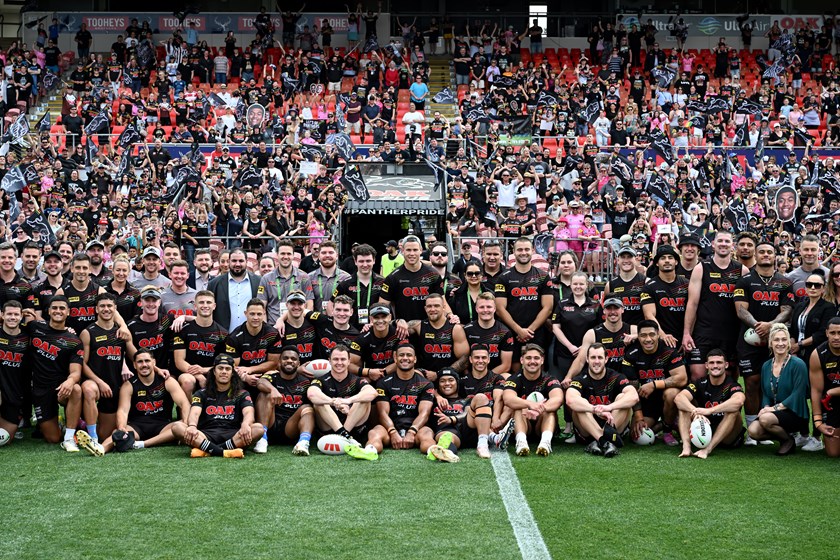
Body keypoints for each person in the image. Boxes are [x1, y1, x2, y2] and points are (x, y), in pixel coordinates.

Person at [733, 241, 794, 444]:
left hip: (775, 341)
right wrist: (757, 325)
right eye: (762, 252)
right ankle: (752, 427)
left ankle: (772, 423)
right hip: (748, 341)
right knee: (751, 383)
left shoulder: (784, 282)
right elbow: (741, 310)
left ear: (774, 256)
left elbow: (787, 310)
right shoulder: (745, 280)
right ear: (756, 255)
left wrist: (771, 325)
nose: (766, 255)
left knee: (774, 384)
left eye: (769, 252)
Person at [345, 343, 435, 461]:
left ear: (415, 359)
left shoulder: (426, 384)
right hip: (389, 428)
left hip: (416, 428)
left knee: (427, 433)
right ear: (395, 358)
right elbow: (382, 413)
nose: (405, 358)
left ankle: (435, 452)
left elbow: (424, 413)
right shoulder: (384, 383)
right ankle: (369, 451)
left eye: (409, 355)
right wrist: (392, 432)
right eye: (401, 355)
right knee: (375, 432)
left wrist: (412, 432)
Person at [683, 231, 748, 380]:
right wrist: (687, 333)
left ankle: (725, 404)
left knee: (730, 376)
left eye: (727, 241)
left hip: (730, 334)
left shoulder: (742, 270)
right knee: (697, 375)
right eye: (720, 241)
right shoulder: (701, 268)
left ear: (733, 246)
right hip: (704, 332)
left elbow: (745, 306)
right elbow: (692, 304)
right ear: (713, 245)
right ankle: (698, 404)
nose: (723, 244)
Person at [171, 353, 263, 458]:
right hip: (205, 435)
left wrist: (245, 424)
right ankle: (226, 452)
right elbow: (195, 413)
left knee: (258, 429)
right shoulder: (201, 393)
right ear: (214, 371)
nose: (224, 372)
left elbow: (248, 412)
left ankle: (207, 450)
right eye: (220, 368)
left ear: (232, 373)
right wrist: (192, 426)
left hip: (233, 435)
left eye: (228, 369)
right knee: (177, 427)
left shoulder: (242, 393)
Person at [25, 295, 86, 453]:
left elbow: (76, 372)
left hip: (61, 388)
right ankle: (60, 424)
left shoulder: (74, 341)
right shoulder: (34, 327)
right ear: (48, 311)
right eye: (55, 308)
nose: (58, 311)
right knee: (52, 438)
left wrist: (70, 381)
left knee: (76, 389)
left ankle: (69, 439)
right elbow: (10, 325)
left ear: (68, 313)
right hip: (40, 389)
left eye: (62, 308)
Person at [101, 350, 190, 453]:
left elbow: (184, 404)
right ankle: (101, 448)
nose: (144, 365)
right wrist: (121, 427)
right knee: (117, 432)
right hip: (137, 426)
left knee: (182, 426)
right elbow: (123, 411)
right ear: (134, 365)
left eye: (147, 361)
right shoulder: (128, 385)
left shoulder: (167, 381)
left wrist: (186, 421)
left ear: (154, 362)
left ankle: (143, 444)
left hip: (163, 426)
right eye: (140, 362)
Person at [566, 343, 639, 457]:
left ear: (606, 359)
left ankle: (598, 442)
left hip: (613, 424)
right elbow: (570, 400)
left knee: (622, 399)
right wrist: (595, 409)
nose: (596, 361)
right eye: (593, 357)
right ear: (587, 359)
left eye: (600, 357)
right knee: (580, 405)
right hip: (588, 429)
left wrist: (609, 407)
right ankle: (606, 442)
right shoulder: (580, 379)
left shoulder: (616, 376)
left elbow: (634, 396)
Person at [622, 320, 688, 446]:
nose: (648, 339)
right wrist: (639, 417)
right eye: (643, 335)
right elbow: (632, 388)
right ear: (638, 337)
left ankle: (667, 430)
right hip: (648, 399)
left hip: (667, 396)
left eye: (652, 334)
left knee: (672, 393)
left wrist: (654, 384)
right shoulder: (631, 354)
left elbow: (682, 378)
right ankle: (664, 424)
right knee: (637, 437)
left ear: (658, 335)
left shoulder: (668, 350)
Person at [748, 324, 810, 456]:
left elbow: (798, 394)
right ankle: (786, 438)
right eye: (776, 340)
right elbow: (765, 392)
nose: (780, 343)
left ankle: (788, 441)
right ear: (770, 343)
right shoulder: (766, 366)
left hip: (795, 412)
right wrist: (765, 406)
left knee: (765, 420)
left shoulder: (798, 364)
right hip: (774, 413)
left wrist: (773, 409)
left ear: (788, 342)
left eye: (783, 340)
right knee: (753, 431)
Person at [494, 237, 553, 370]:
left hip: (536, 332)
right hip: (512, 332)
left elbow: (548, 307)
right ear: (513, 252)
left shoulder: (543, 276)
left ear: (532, 251)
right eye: (519, 249)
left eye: (527, 249)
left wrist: (529, 331)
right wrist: (518, 330)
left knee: (537, 368)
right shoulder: (504, 277)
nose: (523, 252)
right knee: (515, 372)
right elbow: (499, 309)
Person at [675, 349, 746, 459]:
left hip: (727, 436)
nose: (715, 366)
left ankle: (708, 449)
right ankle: (686, 446)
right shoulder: (700, 382)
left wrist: (710, 410)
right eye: (712, 363)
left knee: (734, 412)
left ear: (726, 365)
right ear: (706, 365)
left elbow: (739, 401)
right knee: (683, 407)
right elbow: (679, 398)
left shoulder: (732, 384)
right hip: (704, 428)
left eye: (719, 362)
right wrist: (695, 411)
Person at [80, 293, 129, 447]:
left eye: (109, 306)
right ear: (96, 309)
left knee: (105, 434)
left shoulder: (121, 332)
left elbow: (135, 356)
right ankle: (92, 438)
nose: (106, 309)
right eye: (102, 306)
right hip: (95, 383)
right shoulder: (88, 333)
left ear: (115, 309)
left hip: (114, 386)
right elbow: (82, 363)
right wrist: (99, 382)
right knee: (89, 389)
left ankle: (81, 425)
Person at [416, 367, 493, 461]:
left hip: (466, 427)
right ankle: (443, 452)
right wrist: (436, 395)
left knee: (481, 397)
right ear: (438, 384)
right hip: (446, 430)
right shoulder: (432, 399)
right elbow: (416, 374)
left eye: (451, 380)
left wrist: (452, 418)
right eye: (442, 381)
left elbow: (467, 412)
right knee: (445, 436)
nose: (447, 383)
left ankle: (483, 444)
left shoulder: (466, 399)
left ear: (457, 382)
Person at [307, 344, 378, 445]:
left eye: (343, 359)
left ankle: (344, 435)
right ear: (329, 361)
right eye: (335, 359)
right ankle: (344, 436)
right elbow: (312, 394)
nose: (339, 363)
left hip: (354, 428)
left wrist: (347, 401)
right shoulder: (321, 380)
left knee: (365, 400)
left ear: (349, 361)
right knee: (318, 402)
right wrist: (333, 402)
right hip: (328, 429)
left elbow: (372, 393)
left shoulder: (356, 380)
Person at [501, 344, 564, 456]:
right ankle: (521, 443)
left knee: (550, 410)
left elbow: (558, 399)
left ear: (542, 360)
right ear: (522, 360)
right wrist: (530, 405)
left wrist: (540, 409)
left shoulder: (549, 379)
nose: (532, 361)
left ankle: (545, 443)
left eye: (536, 358)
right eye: (528, 358)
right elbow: (507, 398)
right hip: (524, 422)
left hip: (542, 423)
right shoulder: (514, 379)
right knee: (518, 408)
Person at [253, 346, 314, 456]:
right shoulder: (273, 376)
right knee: (264, 395)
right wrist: (273, 389)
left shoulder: (305, 382)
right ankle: (262, 439)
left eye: (293, 359)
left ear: (298, 363)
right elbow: (260, 382)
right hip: (271, 422)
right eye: (285, 358)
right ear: (279, 362)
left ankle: (303, 442)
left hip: (291, 427)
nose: (289, 360)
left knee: (308, 408)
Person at [172, 290, 228, 399]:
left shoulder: (223, 333)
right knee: (187, 381)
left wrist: (204, 370)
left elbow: (224, 363)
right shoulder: (183, 329)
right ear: (195, 306)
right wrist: (199, 376)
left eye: (208, 302)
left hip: (212, 372)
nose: (205, 305)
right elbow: (179, 361)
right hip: (187, 373)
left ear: (214, 306)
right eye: (201, 302)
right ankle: (186, 413)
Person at [224, 298, 282, 401]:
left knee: (269, 392)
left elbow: (273, 363)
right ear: (245, 313)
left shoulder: (272, 334)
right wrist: (246, 377)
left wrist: (251, 369)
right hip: (241, 377)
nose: (256, 317)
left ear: (264, 314)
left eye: (259, 314)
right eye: (252, 314)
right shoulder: (234, 337)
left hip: (265, 375)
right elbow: (233, 366)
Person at [380, 235, 446, 322]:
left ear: (421, 250)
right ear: (402, 251)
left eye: (415, 250)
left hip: (428, 329)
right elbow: (382, 307)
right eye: (408, 250)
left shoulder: (433, 274)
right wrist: (395, 322)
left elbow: (443, 302)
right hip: (403, 330)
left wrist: (450, 315)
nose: (412, 254)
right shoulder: (392, 277)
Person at [404, 293, 468, 377]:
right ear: (425, 308)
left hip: (449, 379)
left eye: (436, 306)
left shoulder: (455, 329)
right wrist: (398, 321)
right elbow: (390, 326)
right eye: (429, 306)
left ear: (444, 308)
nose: (432, 309)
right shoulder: (418, 326)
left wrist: (439, 374)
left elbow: (465, 359)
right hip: (425, 378)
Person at [207, 248, 261, 332]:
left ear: (247, 261)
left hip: (253, 336)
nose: (237, 264)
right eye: (234, 261)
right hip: (223, 336)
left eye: (241, 261)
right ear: (229, 261)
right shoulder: (214, 284)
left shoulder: (259, 282)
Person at [809, 318, 840, 457]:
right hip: (832, 404)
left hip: (833, 394)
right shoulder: (818, 354)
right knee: (833, 453)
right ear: (827, 333)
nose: (836, 337)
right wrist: (818, 422)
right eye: (832, 333)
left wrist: (834, 391)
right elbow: (816, 391)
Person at [0, 301, 30, 443]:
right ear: (2, 315)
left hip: (15, 393)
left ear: (21, 316)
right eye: (9, 314)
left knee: (4, 438)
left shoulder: (29, 336)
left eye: (16, 314)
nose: (12, 317)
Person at [603, 246, 646, 326]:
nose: (626, 260)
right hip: (619, 333)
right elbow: (606, 312)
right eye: (623, 257)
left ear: (636, 259)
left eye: (629, 257)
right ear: (618, 260)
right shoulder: (610, 285)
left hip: (640, 333)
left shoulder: (646, 282)